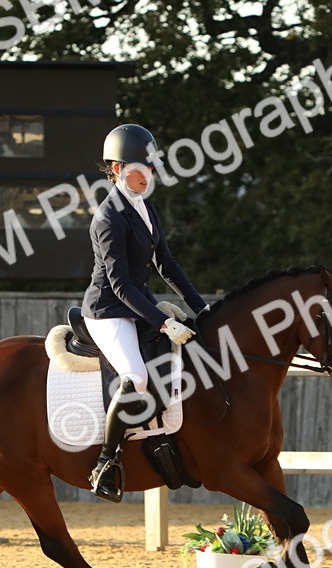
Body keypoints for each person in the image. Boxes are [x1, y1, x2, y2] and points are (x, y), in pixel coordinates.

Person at [81, 124, 209, 502]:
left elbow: (167, 264)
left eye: (151, 167)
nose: (148, 174)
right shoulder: (108, 217)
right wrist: (164, 321)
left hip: (137, 307)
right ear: (118, 168)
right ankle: (105, 462)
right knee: (136, 377)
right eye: (141, 167)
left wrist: (200, 307)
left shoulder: (145, 206)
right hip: (108, 311)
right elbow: (120, 283)